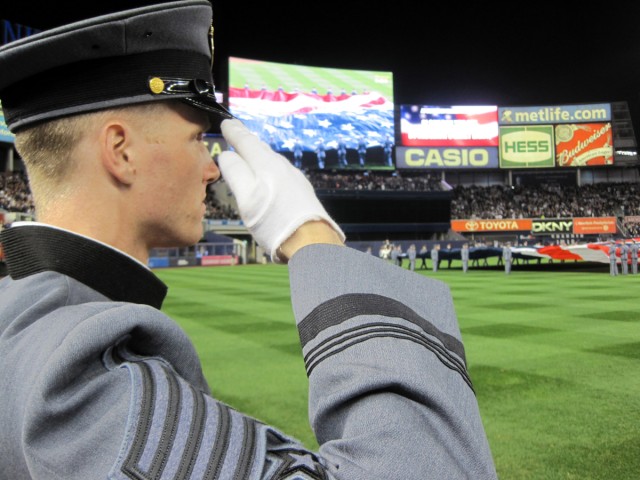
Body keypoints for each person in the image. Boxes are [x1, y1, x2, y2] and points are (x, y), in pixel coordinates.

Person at [0, 3, 497, 479]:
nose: (212, 167)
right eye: (197, 139)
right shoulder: (79, 382)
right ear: (121, 151)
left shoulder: (19, 316)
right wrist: (312, 238)